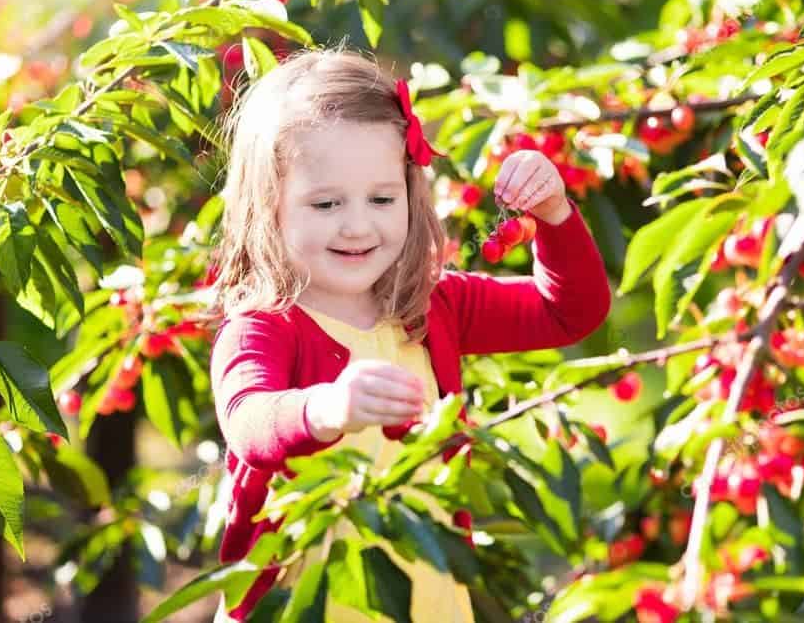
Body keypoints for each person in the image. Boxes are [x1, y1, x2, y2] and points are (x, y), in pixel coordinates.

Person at [206, 47, 611, 621]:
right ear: (268, 208)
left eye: (381, 198)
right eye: (325, 203)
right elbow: (250, 420)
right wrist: (324, 407)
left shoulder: (431, 306)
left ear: (409, 190)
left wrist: (554, 214)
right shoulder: (264, 329)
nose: (357, 224)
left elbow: (569, 312)